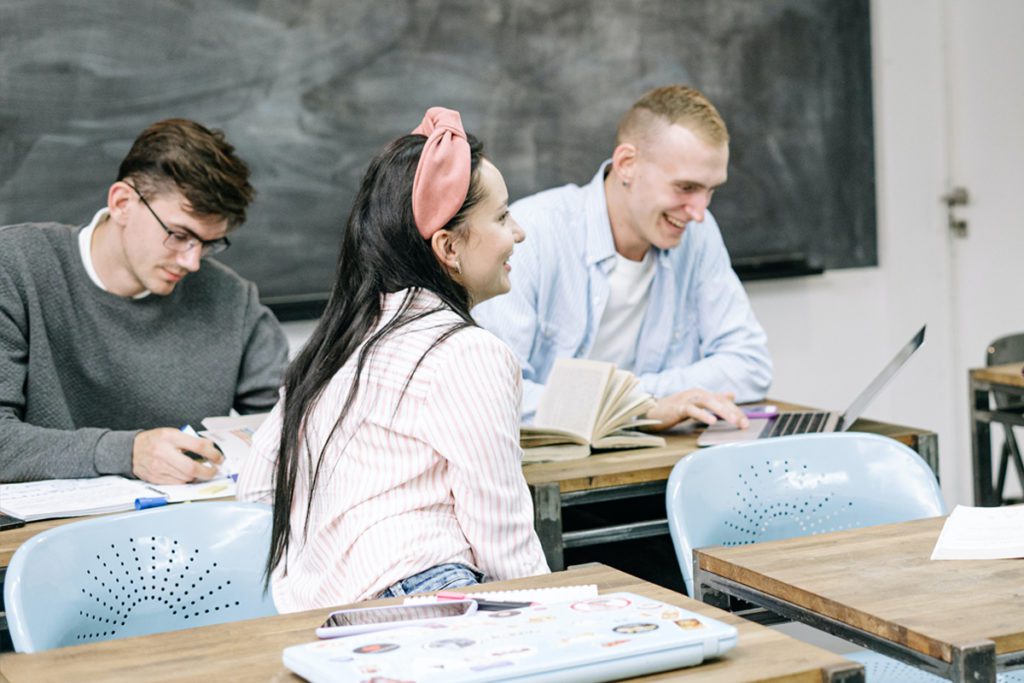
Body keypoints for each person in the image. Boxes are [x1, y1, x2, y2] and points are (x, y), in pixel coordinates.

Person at [237, 107, 549, 612]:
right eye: (502, 216)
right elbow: (501, 535)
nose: (520, 233)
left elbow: (256, 487)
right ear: (448, 248)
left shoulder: (337, 340)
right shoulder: (466, 352)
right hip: (428, 593)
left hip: (319, 613)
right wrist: (553, 620)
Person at [0, 119, 289, 484]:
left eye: (209, 243)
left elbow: (289, 423)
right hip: (39, 535)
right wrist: (128, 453)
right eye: (179, 235)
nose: (192, 261)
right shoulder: (13, 268)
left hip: (185, 527)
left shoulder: (232, 299)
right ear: (122, 203)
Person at [473, 85, 772, 431]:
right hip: (555, 476)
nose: (700, 212)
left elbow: (750, 365)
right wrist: (643, 407)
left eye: (711, 191)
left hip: (655, 463)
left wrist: (643, 401)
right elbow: (500, 394)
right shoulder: (531, 236)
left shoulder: (698, 235)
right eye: (686, 188)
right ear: (627, 164)